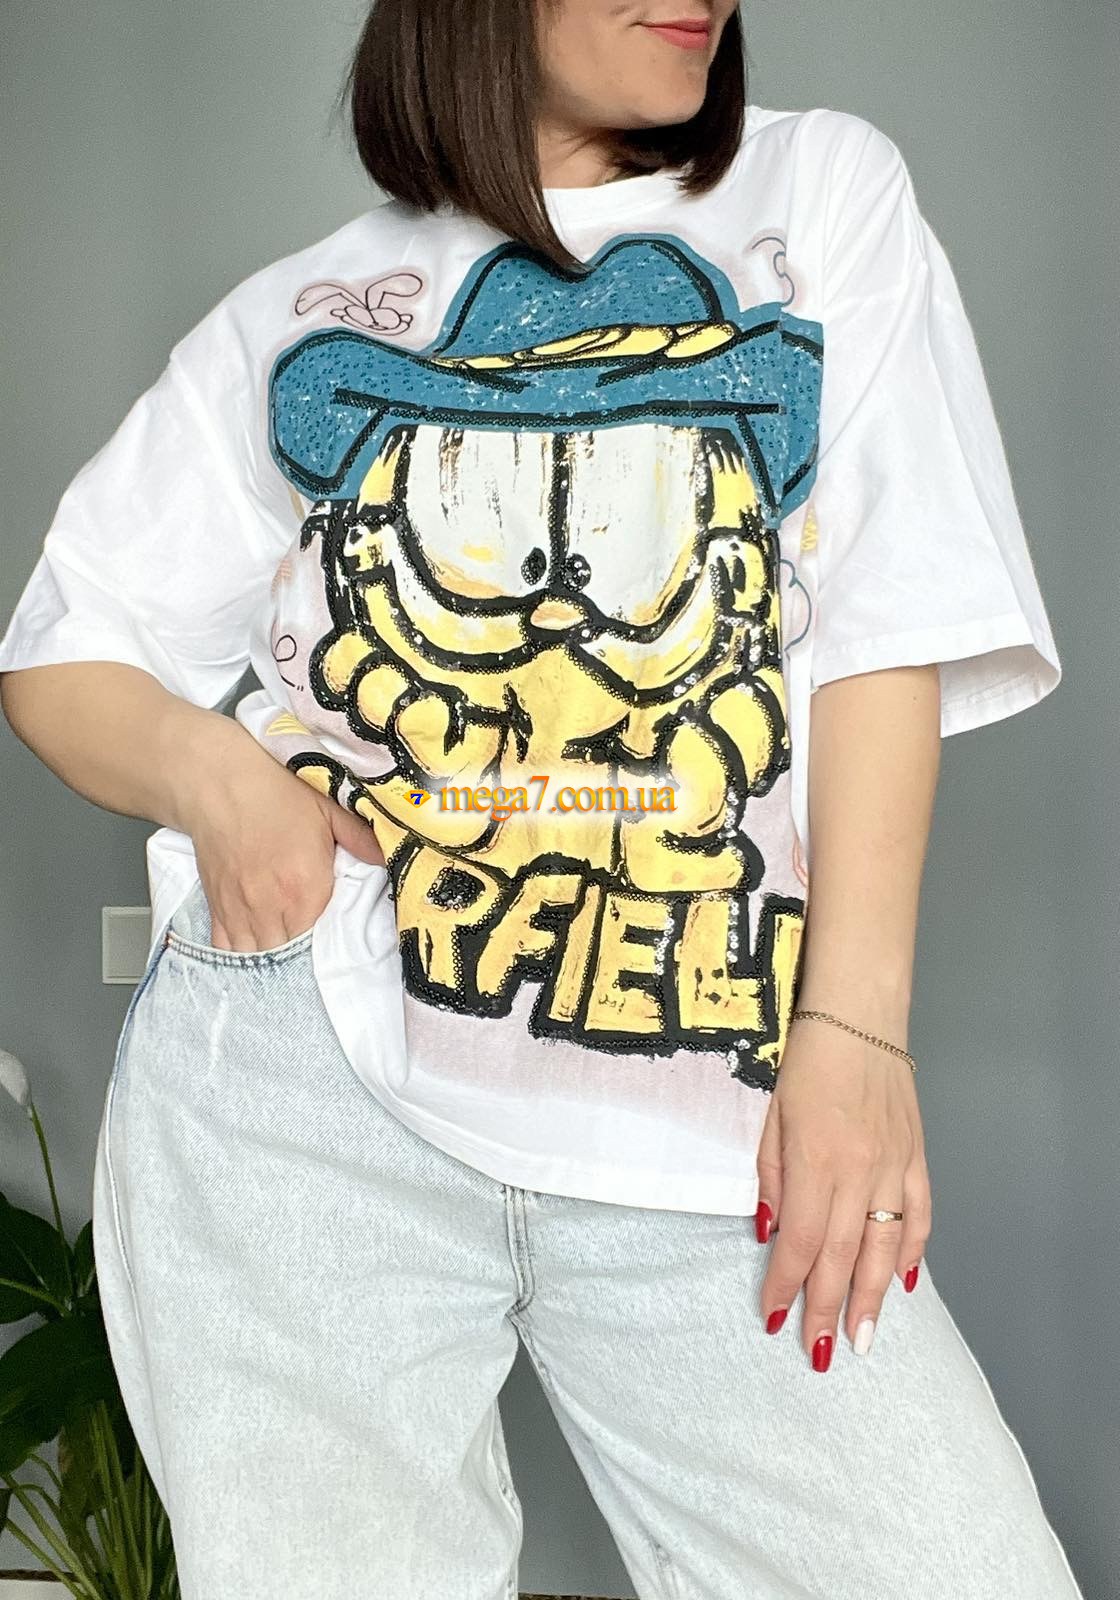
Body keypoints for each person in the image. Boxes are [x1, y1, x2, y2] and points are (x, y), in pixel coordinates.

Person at [0, 2, 1085, 1597]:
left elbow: (886, 625)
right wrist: (218, 778)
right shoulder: (297, 311)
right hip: (309, 1085)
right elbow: (59, 651)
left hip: (711, 1096)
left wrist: (855, 1033)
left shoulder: (820, 196)